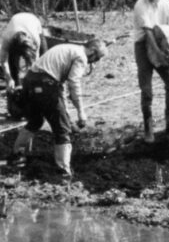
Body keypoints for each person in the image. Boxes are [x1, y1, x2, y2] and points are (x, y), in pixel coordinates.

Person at [9, 39, 108, 177]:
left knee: (35, 121)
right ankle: (63, 169)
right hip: (46, 85)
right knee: (62, 129)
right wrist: (81, 112)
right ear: (91, 50)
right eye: (97, 57)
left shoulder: (68, 48)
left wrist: (66, 113)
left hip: (30, 81)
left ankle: (16, 155)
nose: (94, 61)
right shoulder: (81, 57)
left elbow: (60, 91)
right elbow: (74, 83)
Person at [133, 0, 169, 144]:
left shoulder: (168, 5)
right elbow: (147, 33)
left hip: (163, 45)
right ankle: (148, 129)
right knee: (147, 91)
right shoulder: (140, 4)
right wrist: (158, 54)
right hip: (143, 45)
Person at [0, 12, 47, 90]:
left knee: (44, 56)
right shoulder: (7, 38)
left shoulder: (35, 39)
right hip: (15, 23)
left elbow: (36, 61)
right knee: (12, 60)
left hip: (33, 21)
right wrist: (9, 78)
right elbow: (3, 61)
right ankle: (16, 85)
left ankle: (43, 83)